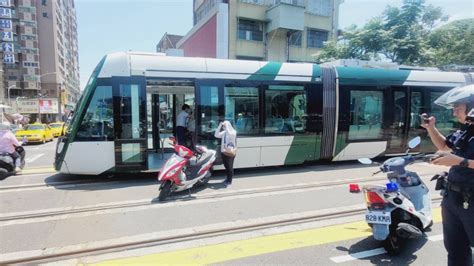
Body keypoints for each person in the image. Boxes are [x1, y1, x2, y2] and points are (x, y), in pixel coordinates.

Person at [421, 92, 473, 266]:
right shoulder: (466, 130)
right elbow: (445, 146)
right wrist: (431, 128)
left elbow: (457, 159)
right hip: (452, 198)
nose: (454, 113)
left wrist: (459, 161)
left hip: (472, 200)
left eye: (458, 108)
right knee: (455, 249)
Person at [214, 120, 237, 186]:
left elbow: (230, 134)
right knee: (226, 166)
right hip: (223, 152)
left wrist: (226, 125)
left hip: (230, 152)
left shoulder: (233, 132)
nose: (223, 127)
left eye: (224, 126)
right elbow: (216, 135)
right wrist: (219, 126)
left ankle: (229, 181)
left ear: (228, 125)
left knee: (229, 167)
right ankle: (227, 178)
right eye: (223, 126)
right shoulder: (224, 133)